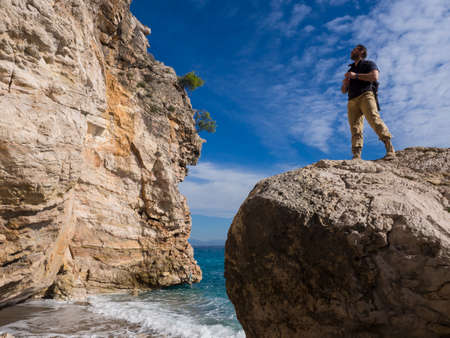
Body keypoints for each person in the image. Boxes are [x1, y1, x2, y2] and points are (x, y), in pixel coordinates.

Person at [341, 44, 395, 160]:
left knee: (374, 119)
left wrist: (355, 76)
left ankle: (390, 149)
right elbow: (343, 91)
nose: (351, 51)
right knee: (355, 127)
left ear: (361, 52)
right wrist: (345, 84)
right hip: (352, 100)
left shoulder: (368, 64)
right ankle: (356, 156)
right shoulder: (350, 69)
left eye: (354, 50)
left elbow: (375, 77)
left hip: (366, 95)